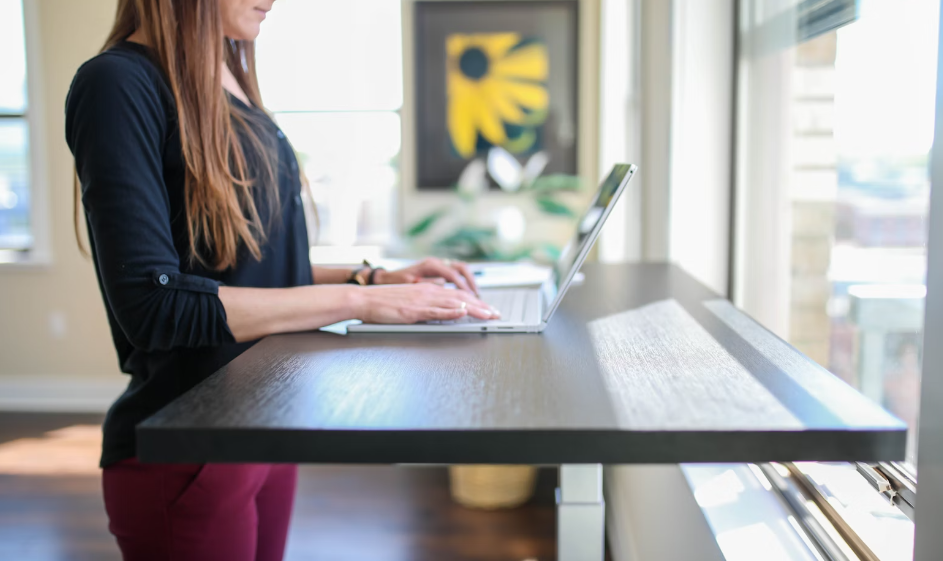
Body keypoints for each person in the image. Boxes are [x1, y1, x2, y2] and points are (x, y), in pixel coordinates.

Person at [65, 1, 499, 559]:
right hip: (188, 447)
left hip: (264, 422)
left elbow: (246, 267)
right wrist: (358, 302)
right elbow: (156, 304)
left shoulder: (227, 76)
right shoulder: (117, 83)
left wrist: (374, 278)